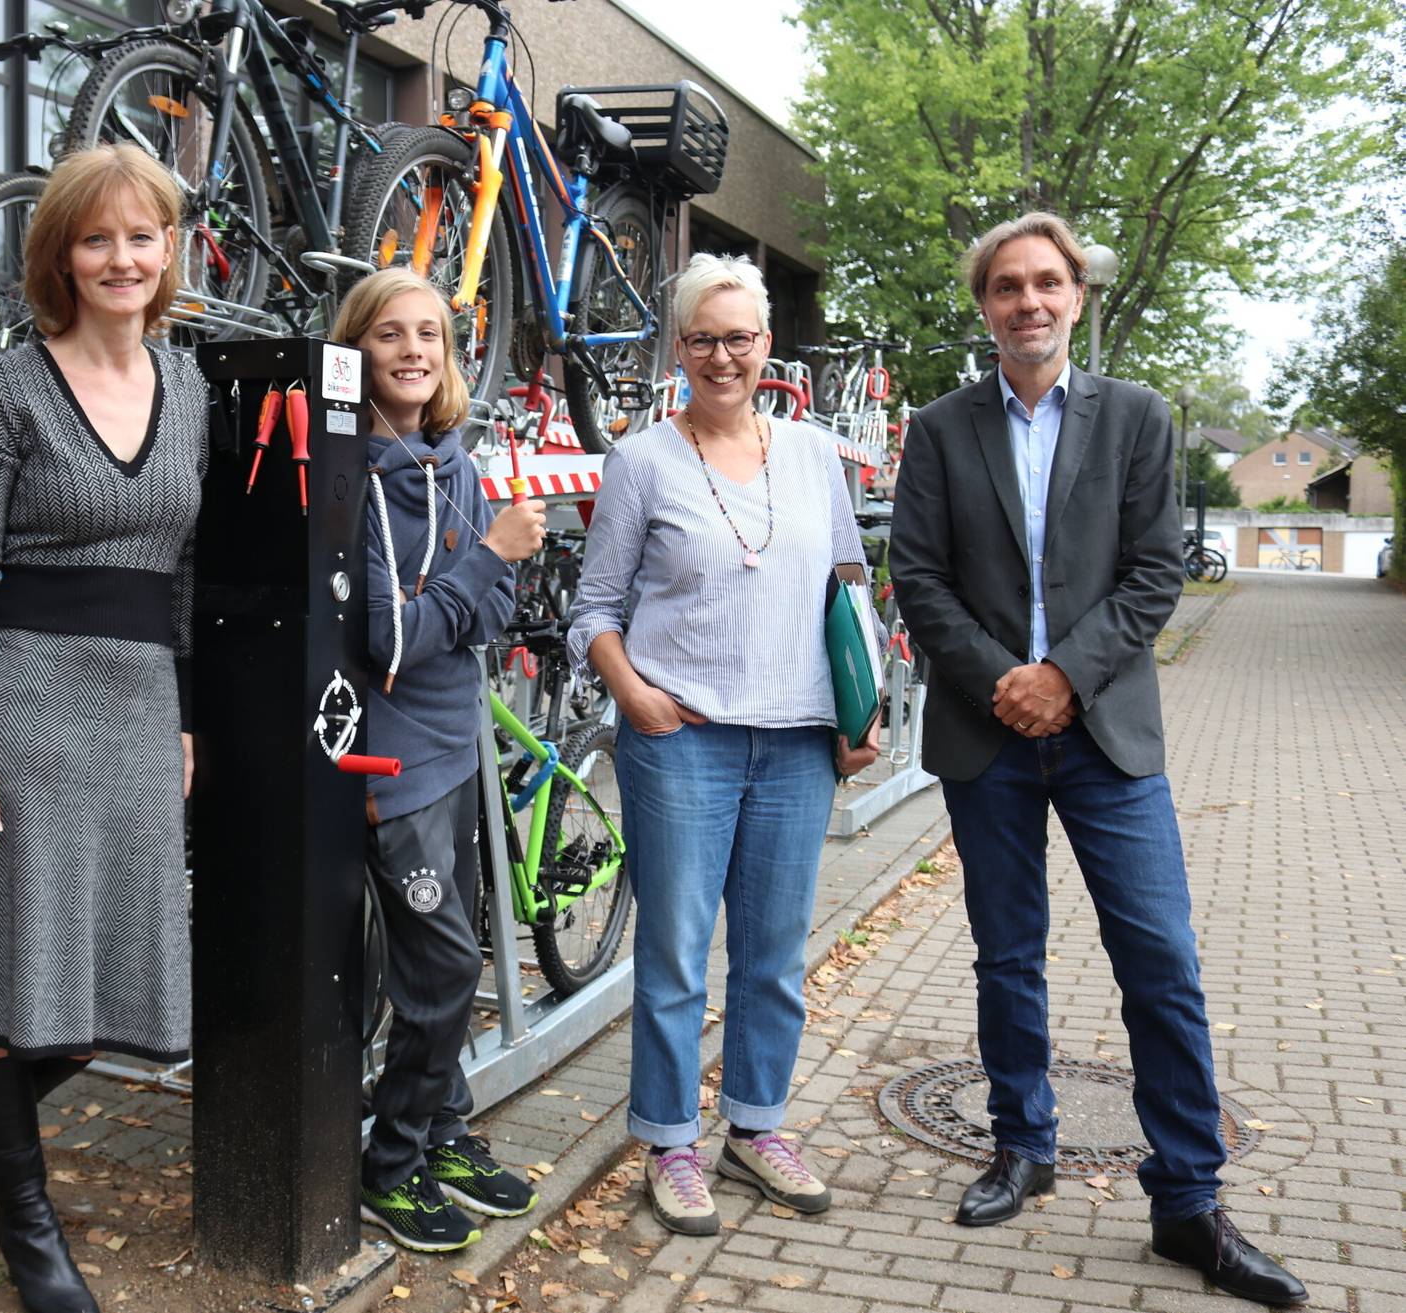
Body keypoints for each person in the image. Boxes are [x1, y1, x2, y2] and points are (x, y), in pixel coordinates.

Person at [889, 212, 1305, 1307]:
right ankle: (1021, 1145)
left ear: (1078, 297)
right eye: (1007, 286)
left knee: (1161, 961)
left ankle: (1188, 1202)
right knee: (1006, 955)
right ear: (985, 305)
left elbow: (1155, 570)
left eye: (1048, 283)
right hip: (987, 732)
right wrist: (1006, 681)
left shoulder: (1137, 417)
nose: (1028, 301)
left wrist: (1063, 675)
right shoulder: (939, 427)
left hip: (1108, 733)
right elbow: (918, 576)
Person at [0, 143, 208, 1313]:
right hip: (19, 703)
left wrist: (181, 710)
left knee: (100, 982)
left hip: (135, 708)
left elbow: (183, 569)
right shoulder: (7, 386)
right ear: (59, 258)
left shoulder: (193, 387)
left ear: (168, 251)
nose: (121, 257)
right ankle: (33, 1237)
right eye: (95, 238)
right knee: (5, 974)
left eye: (141, 236)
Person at [567, 252, 879, 1238]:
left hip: (793, 742)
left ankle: (756, 1125)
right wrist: (634, 695)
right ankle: (669, 1139)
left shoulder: (816, 455)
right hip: (682, 740)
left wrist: (858, 710)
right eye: (702, 337)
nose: (721, 354)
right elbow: (593, 610)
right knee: (673, 954)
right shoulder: (642, 460)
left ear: (767, 347)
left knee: (774, 955)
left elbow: (848, 587)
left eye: (739, 337)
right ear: (679, 348)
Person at [331, 267, 547, 1253]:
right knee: (445, 965)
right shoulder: (354, 477)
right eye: (390, 334)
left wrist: (475, 583)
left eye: (431, 333)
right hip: (392, 768)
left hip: (457, 748)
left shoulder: (455, 461)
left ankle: (442, 1134)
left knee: (445, 961)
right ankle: (389, 1159)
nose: (414, 349)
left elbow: (482, 622)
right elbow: (386, 639)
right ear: (357, 350)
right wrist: (491, 560)